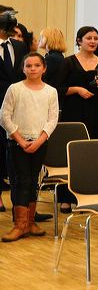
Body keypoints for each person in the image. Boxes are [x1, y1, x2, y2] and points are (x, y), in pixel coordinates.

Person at [0, 52, 58, 241]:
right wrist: (21, 140)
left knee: (33, 181)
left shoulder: (51, 91)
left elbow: (52, 119)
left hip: (39, 142)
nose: (32, 69)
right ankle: (20, 224)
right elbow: (4, 117)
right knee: (20, 181)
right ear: (23, 68)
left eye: (36, 65)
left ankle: (30, 222)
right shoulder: (15, 89)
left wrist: (40, 140)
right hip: (18, 143)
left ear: (44, 68)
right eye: (28, 66)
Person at [56, 26, 98, 212]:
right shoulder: (68, 62)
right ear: (79, 40)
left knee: (95, 154)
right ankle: (66, 198)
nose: (93, 41)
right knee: (73, 155)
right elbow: (58, 89)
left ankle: (91, 196)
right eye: (89, 38)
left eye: (96, 38)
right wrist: (77, 90)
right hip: (74, 114)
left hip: (96, 114)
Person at [0, 6, 26, 207]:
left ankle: (23, 207)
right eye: (8, 18)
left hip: (17, 110)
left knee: (16, 158)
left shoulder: (18, 47)